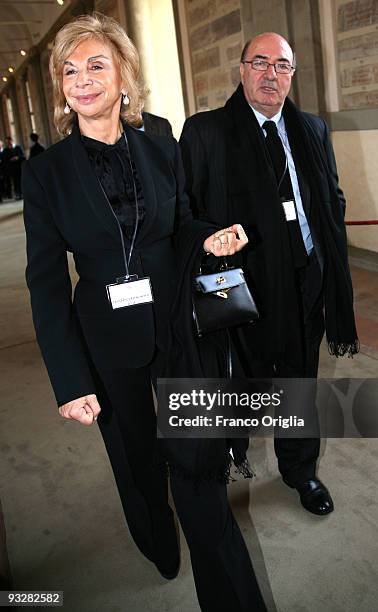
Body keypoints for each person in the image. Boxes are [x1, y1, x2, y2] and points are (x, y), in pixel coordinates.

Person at [23, 13, 266, 611]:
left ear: (123, 74)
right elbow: (47, 282)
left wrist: (210, 239)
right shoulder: (47, 173)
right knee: (136, 460)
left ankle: (232, 597)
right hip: (107, 343)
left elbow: (182, 223)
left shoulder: (159, 145)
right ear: (60, 86)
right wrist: (70, 380)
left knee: (197, 465)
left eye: (95, 65)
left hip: (178, 328)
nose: (81, 81)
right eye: (69, 71)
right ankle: (158, 540)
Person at [180, 33, 359, 516]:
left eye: (281, 65)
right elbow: (186, 211)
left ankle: (300, 470)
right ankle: (217, 468)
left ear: (291, 76)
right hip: (239, 285)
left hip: (304, 279)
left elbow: (331, 200)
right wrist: (207, 240)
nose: (270, 73)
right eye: (259, 62)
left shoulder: (313, 131)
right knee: (238, 381)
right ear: (241, 70)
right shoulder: (206, 132)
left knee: (298, 383)